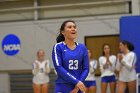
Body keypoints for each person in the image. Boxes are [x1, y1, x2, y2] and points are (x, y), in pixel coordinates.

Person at [52, 20, 89, 93]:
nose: (73, 28)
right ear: (63, 32)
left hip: (78, 87)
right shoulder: (58, 47)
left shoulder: (82, 47)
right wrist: (76, 82)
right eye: (69, 27)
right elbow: (58, 67)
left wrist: (78, 84)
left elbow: (86, 69)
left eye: (74, 27)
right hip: (62, 86)